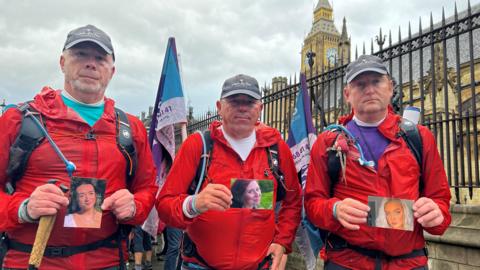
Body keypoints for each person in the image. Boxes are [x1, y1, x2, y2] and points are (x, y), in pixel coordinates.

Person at [0, 24, 158, 269]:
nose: (91, 64)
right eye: (81, 54)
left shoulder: (131, 127)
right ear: (62, 62)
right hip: (32, 261)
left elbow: (147, 188)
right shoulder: (19, 119)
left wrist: (135, 206)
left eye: (100, 58)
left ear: (111, 71)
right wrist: (22, 208)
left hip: (106, 261)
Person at [305, 55, 452, 269]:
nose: (369, 89)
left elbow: (440, 200)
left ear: (390, 87)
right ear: (347, 94)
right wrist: (334, 209)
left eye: (376, 81)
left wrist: (437, 213)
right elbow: (311, 203)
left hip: (408, 262)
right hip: (347, 262)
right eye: (360, 84)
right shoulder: (328, 141)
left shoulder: (419, 138)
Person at [156, 74, 302, 270]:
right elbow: (164, 205)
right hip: (201, 265)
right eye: (234, 101)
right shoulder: (199, 145)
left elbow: (293, 201)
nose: (242, 107)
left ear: (260, 108)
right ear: (219, 107)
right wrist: (194, 204)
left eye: (249, 102)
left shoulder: (275, 149)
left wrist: (282, 242)